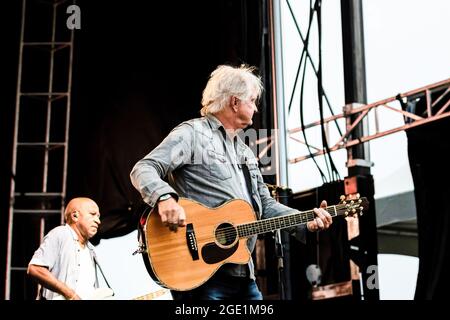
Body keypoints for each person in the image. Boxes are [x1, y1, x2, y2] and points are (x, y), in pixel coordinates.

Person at [130, 64, 332, 300]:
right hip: (200, 274)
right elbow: (143, 168)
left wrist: (305, 220)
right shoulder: (193, 134)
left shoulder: (246, 152)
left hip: (244, 274)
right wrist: (164, 198)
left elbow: (264, 206)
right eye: (252, 101)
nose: (256, 109)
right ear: (235, 102)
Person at [27, 197, 102, 300]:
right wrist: (70, 294)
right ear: (75, 216)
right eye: (93, 214)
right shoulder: (61, 234)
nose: (98, 221)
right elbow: (35, 269)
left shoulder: (91, 250)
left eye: (98, 216)